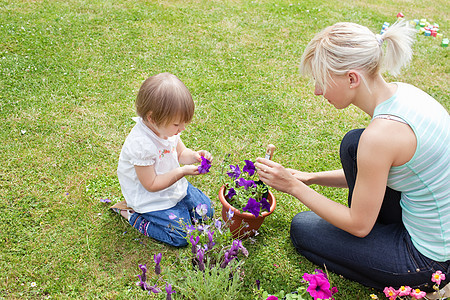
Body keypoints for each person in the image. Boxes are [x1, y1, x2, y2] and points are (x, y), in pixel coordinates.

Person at [255, 21, 449, 295]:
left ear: (352, 78)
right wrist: (311, 178)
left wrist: (293, 186)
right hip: (437, 230)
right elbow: (376, 171)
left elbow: (359, 225)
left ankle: (420, 282)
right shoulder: (404, 94)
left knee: (303, 229)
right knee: (353, 144)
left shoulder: (381, 136)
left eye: (321, 81)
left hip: (429, 261)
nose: (317, 91)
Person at [115, 72, 214, 247]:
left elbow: (181, 153)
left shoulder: (167, 131)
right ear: (152, 118)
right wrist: (182, 171)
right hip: (150, 199)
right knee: (182, 236)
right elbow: (151, 184)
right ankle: (133, 216)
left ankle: (177, 209)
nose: (182, 128)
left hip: (173, 187)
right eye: (177, 124)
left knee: (207, 213)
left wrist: (195, 156)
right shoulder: (141, 145)